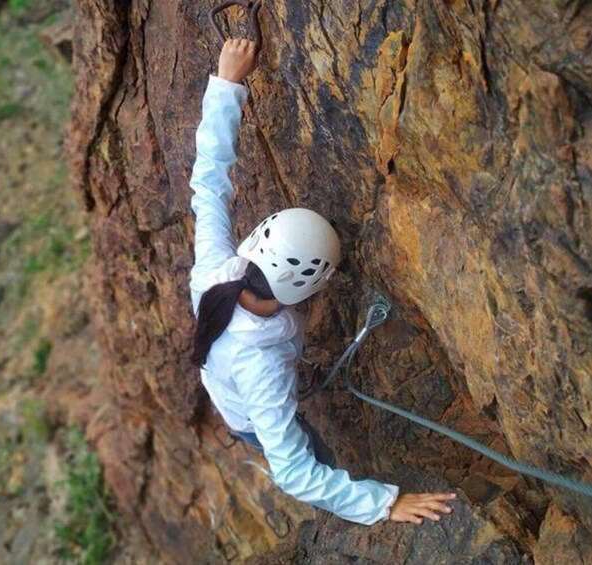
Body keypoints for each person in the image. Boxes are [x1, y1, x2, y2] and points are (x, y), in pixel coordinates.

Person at [189, 38, 456, 526]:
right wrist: (385, 504)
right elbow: (293, 471)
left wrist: (227, 85)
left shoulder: (214, 272)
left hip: (233, 392)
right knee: (311, 456)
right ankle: (342, 511)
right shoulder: (262, 368)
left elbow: (209, 185)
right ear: (301, 289)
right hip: (250, 412)